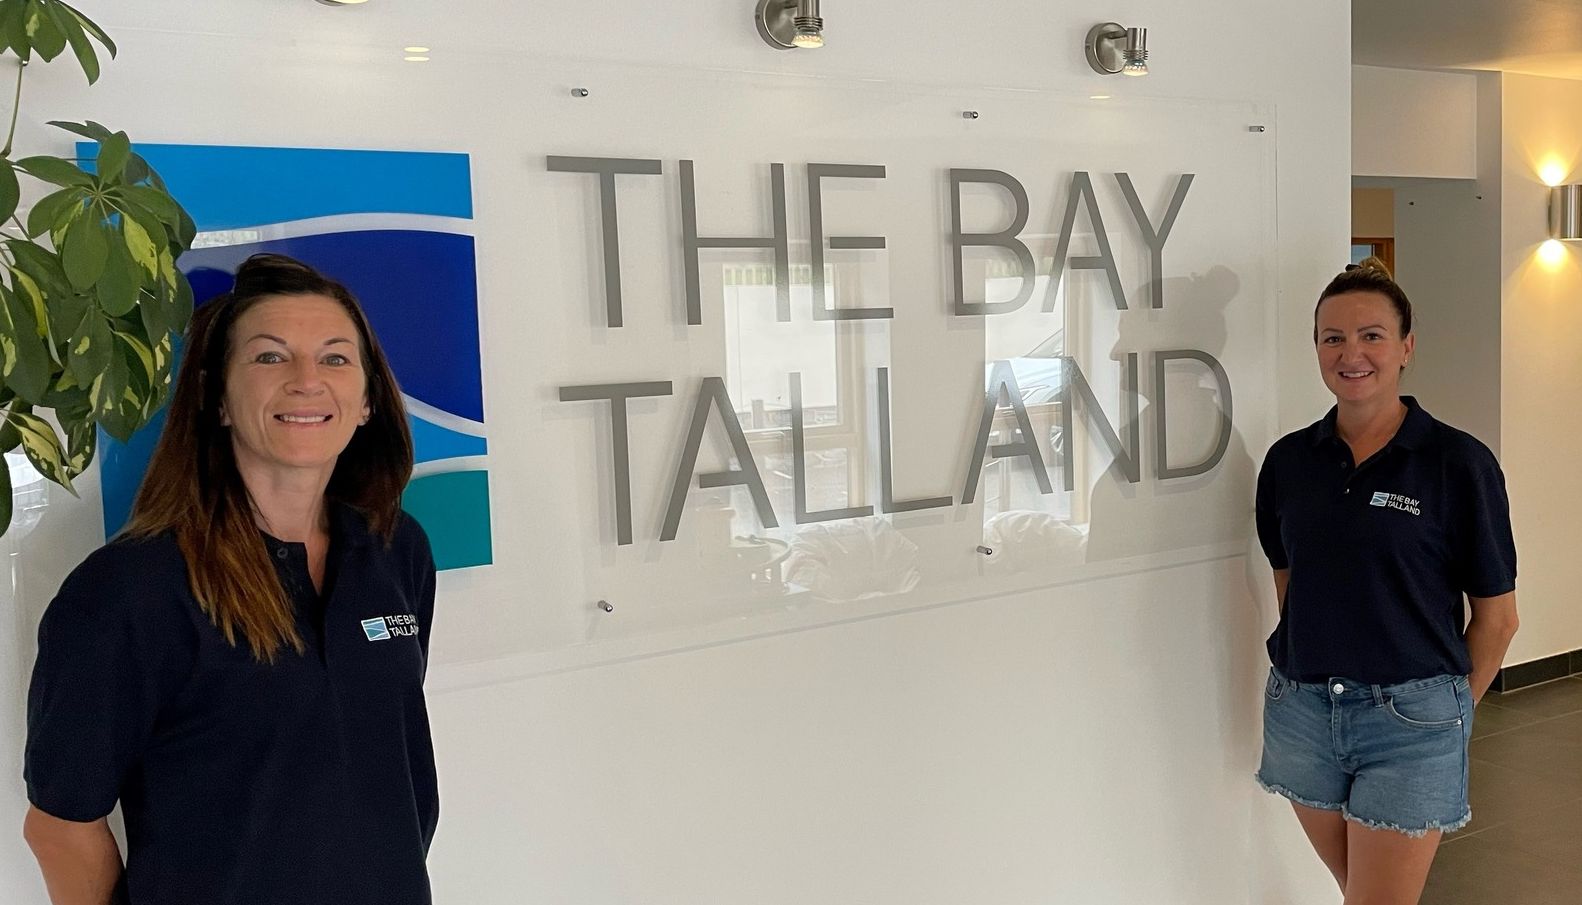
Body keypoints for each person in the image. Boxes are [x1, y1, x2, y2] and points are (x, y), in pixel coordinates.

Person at [22, 254, 439, 905]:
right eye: (270, 357)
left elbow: (380, 761)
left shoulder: (397, 550)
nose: (307, 380)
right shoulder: (129, 591)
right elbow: (61, 824)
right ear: (217, 397)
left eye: (335, 357)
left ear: (366, 402)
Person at [1253, 257, 1519, 904]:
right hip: (1303, 716)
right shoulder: (1288, 462)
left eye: (1372, 335)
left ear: (1406, 346)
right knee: (1362, 894)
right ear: (1316, 347)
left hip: (1411, 720)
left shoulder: (1458, 463)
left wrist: (1446, 714)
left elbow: (1498, 617)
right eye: (1333, 337)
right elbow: (1292, 584)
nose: (1352, 353)